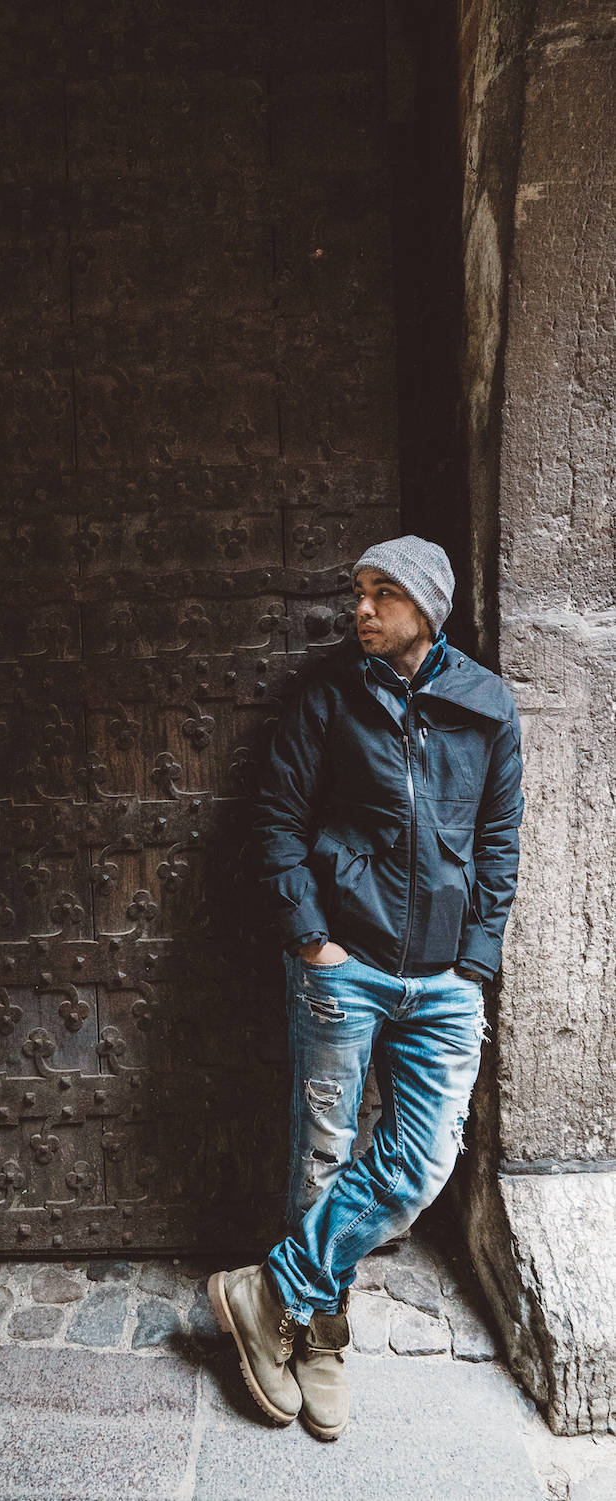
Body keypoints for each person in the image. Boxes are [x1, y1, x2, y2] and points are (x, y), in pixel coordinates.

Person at [208, 535, 523, 1440]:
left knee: (422, 1162)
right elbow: (277, 819)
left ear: (429, 606)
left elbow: (500, 841)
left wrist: (477, 959)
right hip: (345, 966)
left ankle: (267, 1291)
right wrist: (312, 938)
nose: (362, 610)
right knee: (323, 1155)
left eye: (383, 594)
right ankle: (317, 1337)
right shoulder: (328, 700)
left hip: (444, 983)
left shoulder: (488, 707)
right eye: (359, 592)